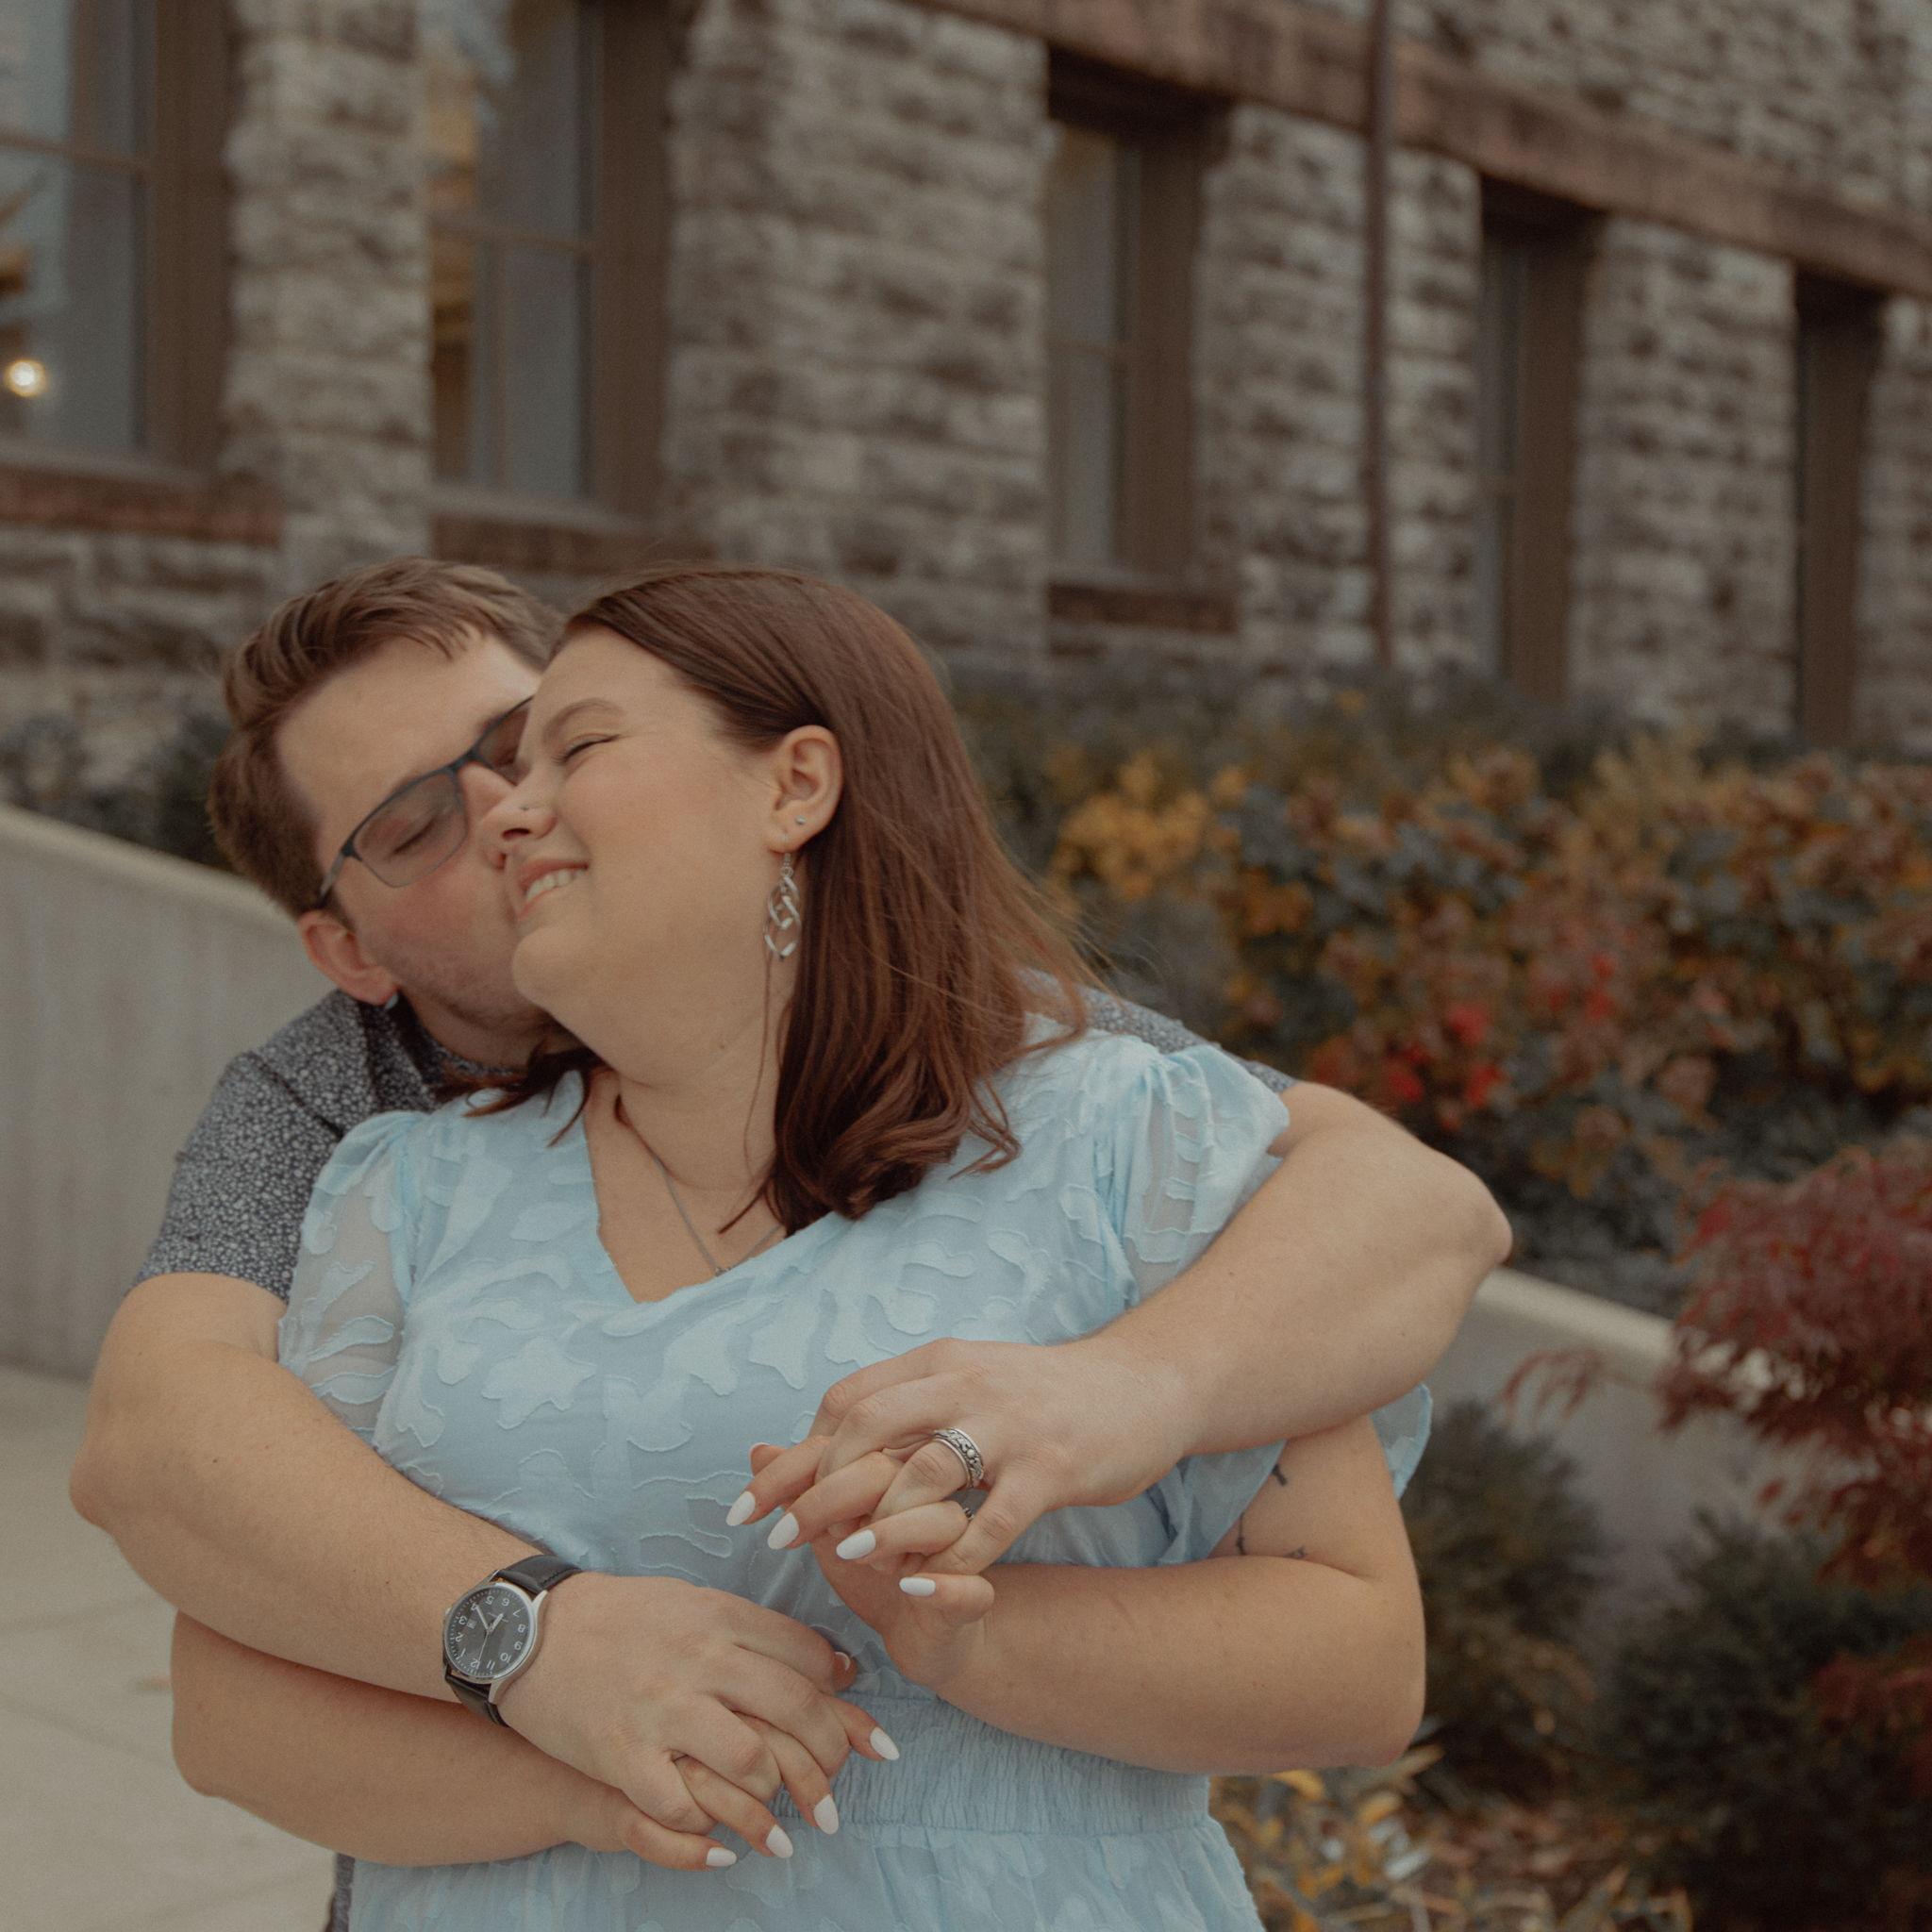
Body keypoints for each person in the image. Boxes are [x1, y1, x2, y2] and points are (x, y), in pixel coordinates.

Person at [64, 559, 1508, 1926]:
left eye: (542, 737)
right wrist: (545, 1660)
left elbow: (1407, 1207)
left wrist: (1123, 1395)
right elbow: (159, 1447)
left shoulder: (1057, 1082)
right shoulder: (348, 1137)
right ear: (353, 951)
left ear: (797, 784)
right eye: (412, 824)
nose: (507, 804)